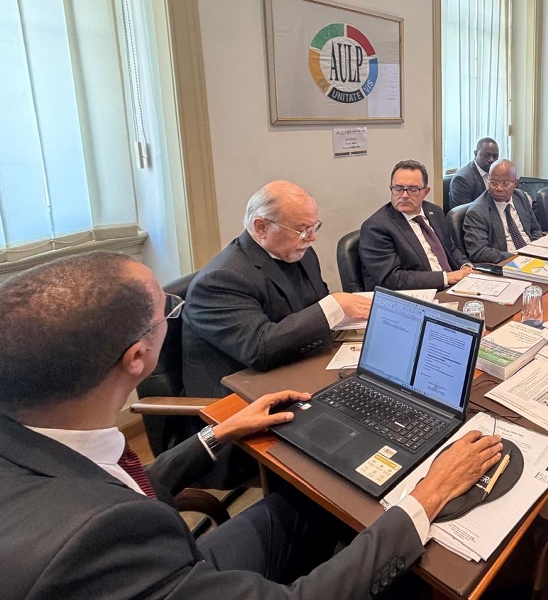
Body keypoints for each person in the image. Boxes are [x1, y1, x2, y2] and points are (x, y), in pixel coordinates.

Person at [0, 252, 503, 600]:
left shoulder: (33, 442)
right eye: (167, 313)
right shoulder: (95, 541)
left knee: (309, 501)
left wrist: (220, 431)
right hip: (176, 571)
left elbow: (120, 484)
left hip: (169, 557)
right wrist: (427, 497)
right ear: (138, 357)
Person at [182, 181, 371, 398]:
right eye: (302, 230)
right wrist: (333, 307)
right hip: (237, 394)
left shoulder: (302, 254)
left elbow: (313, 309)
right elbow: (259, 349)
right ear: (261, 227)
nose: (312, 238)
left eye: (314, 227)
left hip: (292, 366)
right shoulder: (220, 280)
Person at [359, 160, 473, 291]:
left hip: (454, 287)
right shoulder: (376, 227)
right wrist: (447, 278)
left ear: (426, 192)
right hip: (419, 293)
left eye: (413, 190)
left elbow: (450, 248)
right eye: (398, 189)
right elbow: (391, 279)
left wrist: (465, 266)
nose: (404, 195)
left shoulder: (435, 211)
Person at [463, 159, 542, 264]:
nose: (499, 188)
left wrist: (536, 251)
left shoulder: (520, 197)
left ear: (515, 183)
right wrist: (516, 257)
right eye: (494, 183)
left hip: (532, 256)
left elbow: (535, 230)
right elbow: (479, 252)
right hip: (506, 263)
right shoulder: (477, 212)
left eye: (505, 183)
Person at [449, 137, 499, 208]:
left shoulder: (497, 173)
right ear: (476, 153)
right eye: (486, 155)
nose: (491, 160)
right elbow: (464, 212)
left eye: (495, 156)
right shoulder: (462, 180)